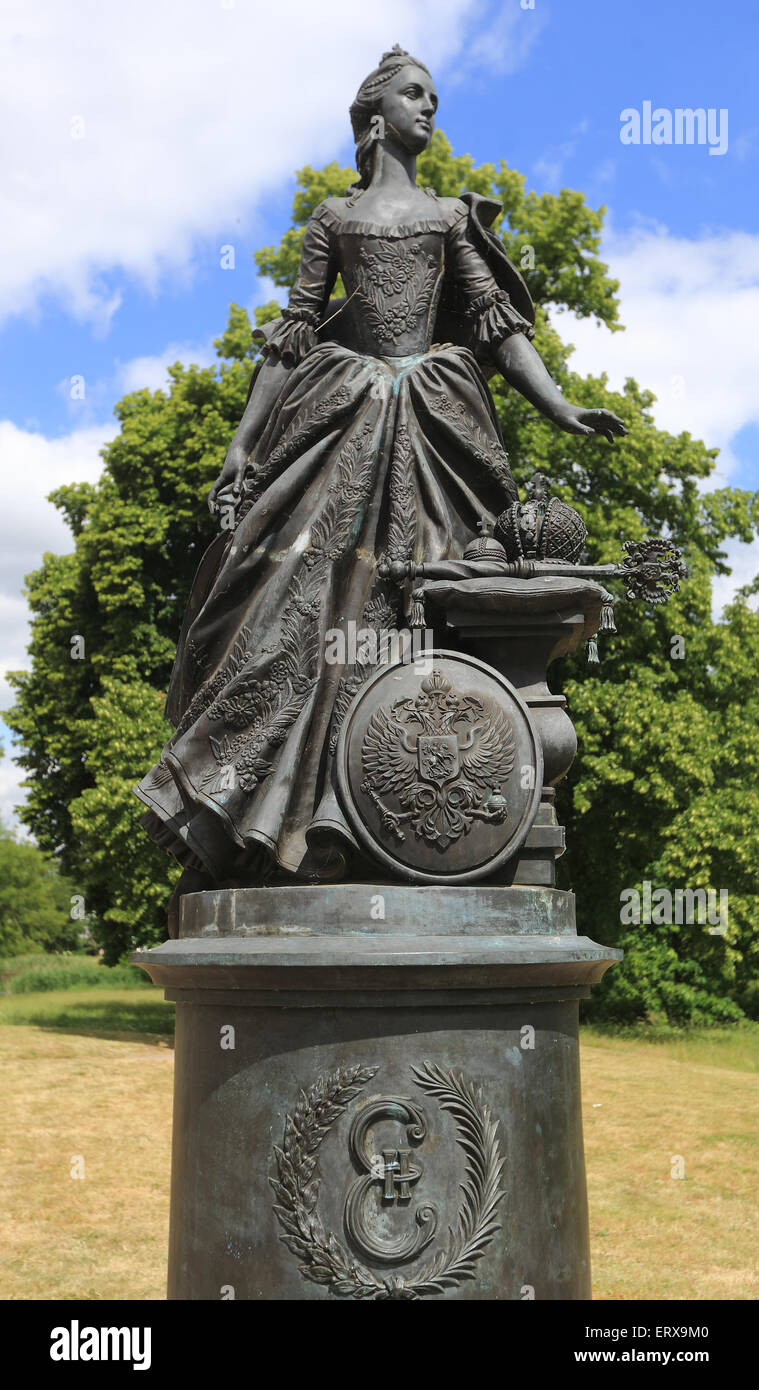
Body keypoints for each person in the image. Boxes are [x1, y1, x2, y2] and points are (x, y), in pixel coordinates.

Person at [136, 46, 626, 925]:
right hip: (344, 410)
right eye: (412, 94)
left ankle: (424, 808)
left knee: (442, 602)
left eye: (433, 96)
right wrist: (244, 446)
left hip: (436, 418)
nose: (428, 108)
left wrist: (559, 408)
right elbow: (290, 338)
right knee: (294, 599)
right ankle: (303, 817)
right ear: (374, 116)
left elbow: (494, 327)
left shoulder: (447, 217)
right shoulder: (333, 217)